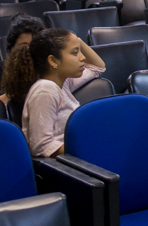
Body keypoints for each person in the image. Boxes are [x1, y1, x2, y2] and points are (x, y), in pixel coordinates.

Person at [3, 28, 105, 157]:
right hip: (64, 167)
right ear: (53, 61)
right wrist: (87, 145)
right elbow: (41, 146)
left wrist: (76, 40)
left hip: (76, 157)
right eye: (75, 53)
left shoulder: (63, 83)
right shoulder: (45, 90)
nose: (82, 57)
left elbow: (97, 68)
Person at [1, 14, 47, 106]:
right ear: (12, 48)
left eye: (34, 45)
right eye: (23, 47)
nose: (29, 51)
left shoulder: (49, 69)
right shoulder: (2, 71)